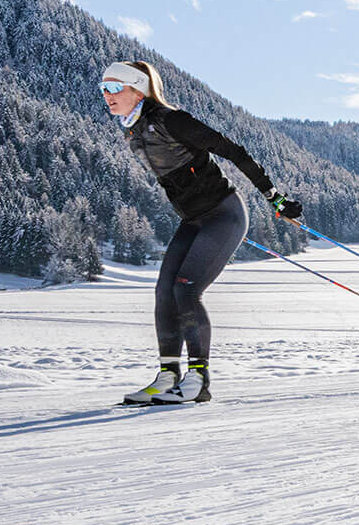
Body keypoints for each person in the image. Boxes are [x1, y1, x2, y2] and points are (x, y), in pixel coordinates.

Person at [100, 61, 302, 404]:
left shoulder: (171, 119)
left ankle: (198, 379)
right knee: (165, 291)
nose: (107, 95)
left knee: (186, 290)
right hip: (193, 220)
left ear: (138, 89)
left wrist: (274, 197)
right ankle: (167, 376)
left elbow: (232, 151)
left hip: (224, 214)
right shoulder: (134, 128)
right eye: (103, 88)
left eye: (115, 87)